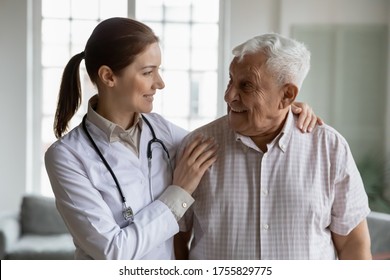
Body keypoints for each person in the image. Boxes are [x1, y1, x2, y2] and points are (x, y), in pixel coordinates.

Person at [45, 18, 319, 260]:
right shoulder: (67, 156)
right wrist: (179, 193)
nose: (160, 83)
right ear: (108, 77)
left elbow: (229, 136)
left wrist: (283, 110)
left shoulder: (162, 132)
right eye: (148, 72)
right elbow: (112, 251)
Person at [176, 33, 372, 260]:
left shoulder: (329, 147)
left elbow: (353, 243)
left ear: (287, 95)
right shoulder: (197, 146)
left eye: (246, 86)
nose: (229, 96)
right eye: (231, 80)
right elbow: (175, 238)